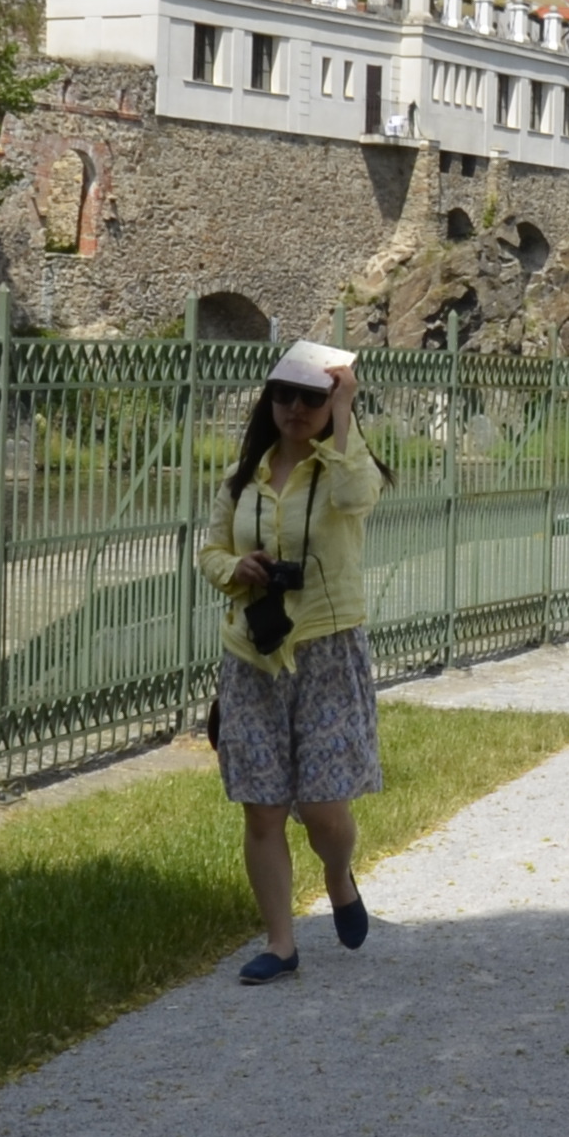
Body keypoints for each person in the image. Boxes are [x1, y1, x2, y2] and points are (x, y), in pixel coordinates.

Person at [203, 341, 385, 986]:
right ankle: (281, 944)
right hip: (253, 654)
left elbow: (357, 498)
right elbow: (210, 552)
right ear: (269, 400)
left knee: (325, 807)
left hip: (328, 648)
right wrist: (238, 567)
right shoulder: (243, 478)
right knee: (263, 807)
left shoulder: (344, 467)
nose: (296, 409)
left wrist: (346, 412)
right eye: (285, 395)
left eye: (312, 397)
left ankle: (337, 875)